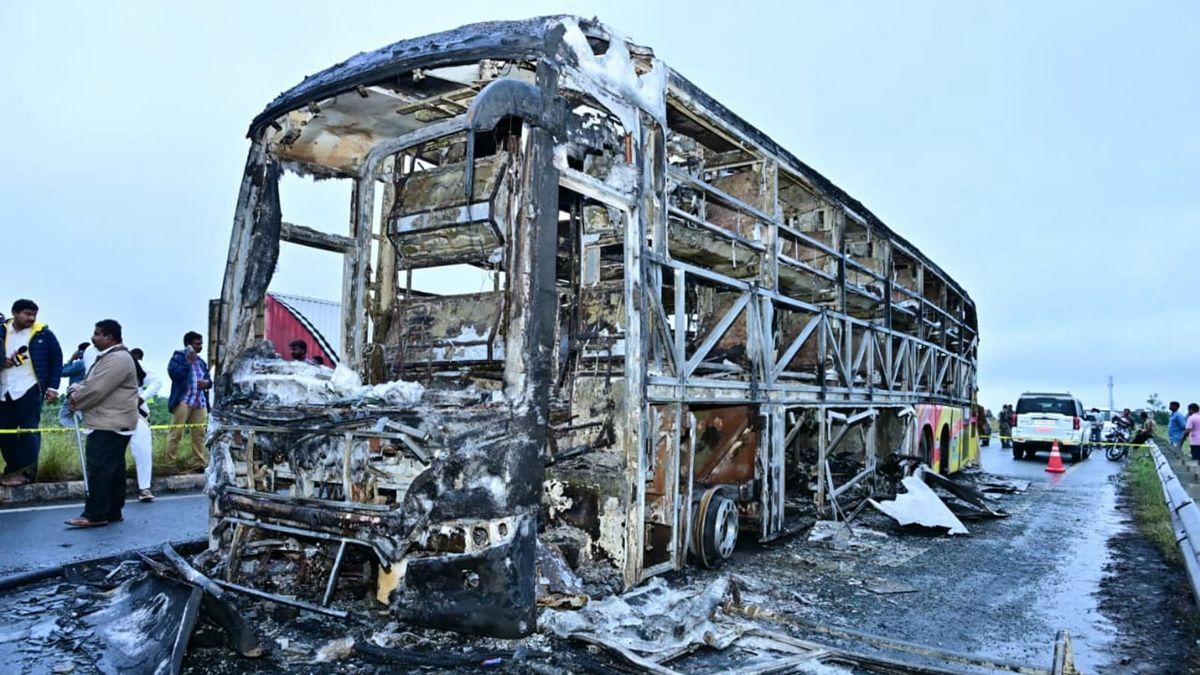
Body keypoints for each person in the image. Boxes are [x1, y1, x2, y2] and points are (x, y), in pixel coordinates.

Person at [64, 319, 138, 528]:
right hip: (115, 420)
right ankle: (113, 511)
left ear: (109, 337)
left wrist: (75, 398)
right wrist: (77, 390)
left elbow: (95, 389)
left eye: (97, 334)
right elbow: (90, 384)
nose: (93, 338)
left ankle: (95, 514)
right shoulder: (112, 357)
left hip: (109, 421)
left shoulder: (117, 359)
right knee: (113, 469)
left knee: (99, 468)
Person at [0, 299, 64, 486]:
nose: (31, 318)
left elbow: (56, 359)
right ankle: (12, 470)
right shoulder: (2, 330)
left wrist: (52, 387)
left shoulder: (43, 334)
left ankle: (27, 473)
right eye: (27, 314)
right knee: (5, 433)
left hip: (29, 388)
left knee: (29, 431)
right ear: (15, 312)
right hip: (4, 389)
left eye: (34, 314)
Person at [166, 331, 211, 469]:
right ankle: (169, 464)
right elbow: (174, 374)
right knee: (176, 433)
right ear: (189, 345)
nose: (200, 347)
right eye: (197, 344)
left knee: (199, 434)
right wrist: (187, 363)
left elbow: (209, 380)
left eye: (201, 344)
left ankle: (198, 463)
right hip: (183, 400)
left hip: (199, 401)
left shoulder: (201, 362)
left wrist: (207, 383)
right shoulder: (178, 358)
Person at [128, 348, 161, 501]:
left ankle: (144, 488)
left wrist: (142, 398)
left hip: (137, 413)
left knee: (143, 450)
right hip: (112, 414)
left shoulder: (137, 364)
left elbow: (156, 382)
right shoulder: (104, 363)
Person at [58, 342, 92, 428]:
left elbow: (63, 372)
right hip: (89, 393)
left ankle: (78, 434)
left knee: (64, 416)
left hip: (75, 393)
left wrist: (71, 359)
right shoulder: (94, 363)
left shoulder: (80, 364)